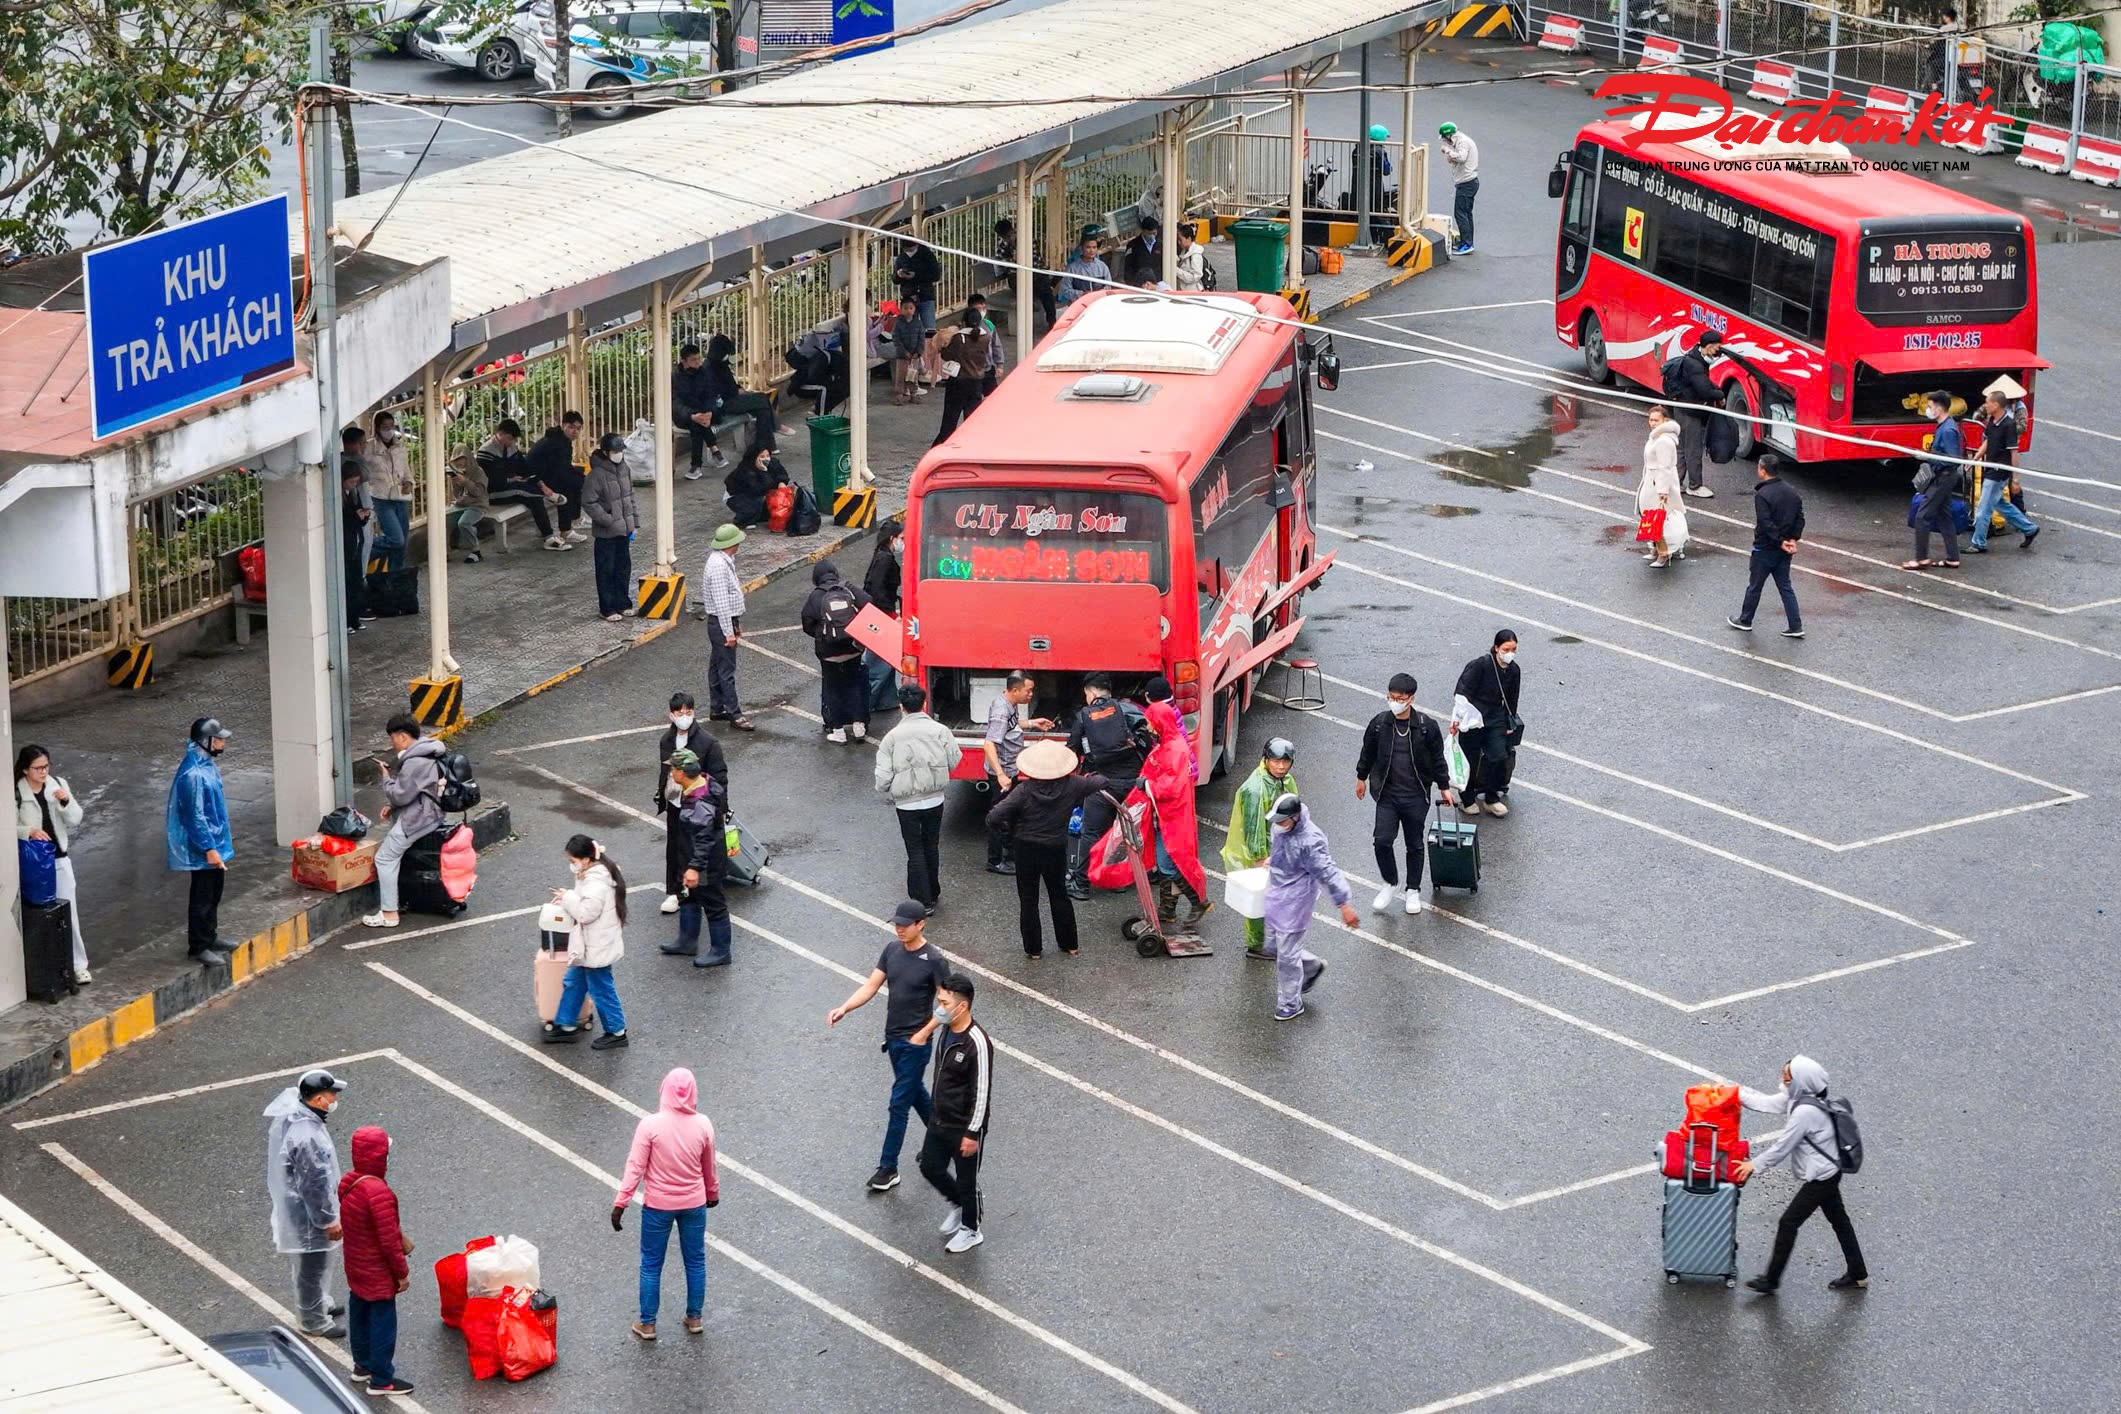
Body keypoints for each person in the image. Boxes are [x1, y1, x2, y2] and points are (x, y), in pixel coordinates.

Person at [828, 900, 948, 1193]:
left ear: (921, 924)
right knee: (914, 1092)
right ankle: (944, 1141)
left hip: (915, 1044)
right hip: (893, 1038)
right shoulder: (892, 950)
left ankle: (888, 1168)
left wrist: (925, 1033)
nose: (899, 929)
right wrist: (845, 1007)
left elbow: (948, 1004)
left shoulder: (934, 960)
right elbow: (871, 986)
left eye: (905, 925)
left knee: (899, 1102)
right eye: (897, 924)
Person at [1735, 1055, 1868, 1295]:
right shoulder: (1798, 1098)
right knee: (1839, 1221)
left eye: (1788, 1076)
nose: (1784, 1079)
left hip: (1823, 1178)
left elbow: (1782, 1147)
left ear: (1801, 1081)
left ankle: (1771, 1279)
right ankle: (1858, 1272)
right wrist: (1734, 1093)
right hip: (1829, 1173)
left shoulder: (1805, 1112)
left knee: (1789, 1222)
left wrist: (1753, 1165)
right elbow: (1765, 1103)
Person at [613, 1068, 720, 1340]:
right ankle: (694, 1317)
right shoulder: (703, 1124)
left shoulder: (650, 1125)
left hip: (658, 1206)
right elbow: (709, 1166)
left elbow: (635, 1167)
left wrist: (621, 1202)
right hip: (694, 1203)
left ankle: (647, 1323)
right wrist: (712, 1192)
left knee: (651, 1263)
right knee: (695, 1261)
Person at [988, 741, 1106, 959]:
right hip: (1056, 847)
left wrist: (1010, 832)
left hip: (1026, 849)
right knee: (1059, 894)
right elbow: (1100, 782)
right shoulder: (1073, 785)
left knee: (1029, 899)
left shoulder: (1023, 791)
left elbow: (994, 817)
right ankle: (1069, 944)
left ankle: (1034, 950)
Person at [1355, 674, 1456, 914]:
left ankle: (1413, 890)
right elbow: (1367, 752)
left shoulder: (1425, 727)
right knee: (1382, 840)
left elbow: (1437, 759)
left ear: (1411, 698)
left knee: (1414, 844)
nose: (1395, 702)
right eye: (1391, 697)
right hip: (1387, 796)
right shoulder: (1380, 724)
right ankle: (1390, 882)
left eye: (1400, 698)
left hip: (1415, 796)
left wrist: (1444, 786)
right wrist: (1361, 777)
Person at [910, 973, 994, 1253]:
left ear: (963, 1007)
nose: (939, 1008)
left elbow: (982, 1091)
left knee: (967, 1181)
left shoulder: (977, 1042)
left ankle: (971, 1229)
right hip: (939, 1117)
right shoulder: (947, 1029)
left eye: (944, 1003)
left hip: (964, 1125)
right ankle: (959, 1202)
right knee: (929, 1166)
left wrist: (972, 1132)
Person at [263, 1068, 347, 1337]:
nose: (335, 1098)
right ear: (319, 1099)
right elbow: (315, 1184)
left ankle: (319, 1303)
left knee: (313, 1264)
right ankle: (312, 1320)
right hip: (308, 1215)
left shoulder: (300, 1119)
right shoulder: (307, 1136)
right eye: (331, 1094)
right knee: (312, 1266)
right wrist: (328, 1220)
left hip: (299, 1209)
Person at [1262, 796, 1359, 1021]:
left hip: (1295, 902)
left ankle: (1290, 1003)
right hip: (1277, 895)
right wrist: (1273, 860)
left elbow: (1328, 872)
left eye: (1283, 821)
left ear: (1295, 818)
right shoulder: (1282, 827)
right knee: (1273, 947)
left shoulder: (1310, 841)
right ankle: (1310, 966)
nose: (1278, 824)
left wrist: (1343, 904)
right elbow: (1283, 850)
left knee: (1286, 955)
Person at [338, 1124, 414, 1395]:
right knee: (383, 1322)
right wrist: (402, 1273)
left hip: (355, 1264)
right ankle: (382, 1380)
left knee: (358, 1312)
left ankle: (362, 1366)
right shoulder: (379, 1192)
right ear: (379, 1157)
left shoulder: (348, 1182)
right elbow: (388, 1241)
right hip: (377, 1270)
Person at [1065, 674, 1154, 899]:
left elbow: (1072, 750)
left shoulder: (1084, 717)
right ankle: (1117, 881)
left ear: (1092, 694)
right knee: (1123, 833)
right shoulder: (1128, 711)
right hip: (1133, 784)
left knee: (1091, 832)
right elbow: (1147, 742)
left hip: (1102, 785)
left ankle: (1081, 885)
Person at [874, 683, 957, 914]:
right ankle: (934, 890)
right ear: (924, 704)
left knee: (915, 849)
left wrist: (887, 787)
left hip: (906, 803)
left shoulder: (891, 738)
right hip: (935, 799)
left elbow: (882, 777)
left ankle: (923, 899)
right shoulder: (940, 731)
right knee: (931, 845)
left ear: (901, 707)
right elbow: (954, 759)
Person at [361, 714, 447, 930]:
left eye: (392, 738)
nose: (392, 743)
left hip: (418, 819)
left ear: (402, 736)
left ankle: (389, 913)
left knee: (385, 858)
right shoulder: (429, 749)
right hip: (432, 814)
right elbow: (413, 790)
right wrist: (393, 806)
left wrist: (385, 777)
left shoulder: (414, 762)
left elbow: (399, 795)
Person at [1135, 683, 1211, 926]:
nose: (1148, 728)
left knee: (1168, 865)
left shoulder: (1173, 750)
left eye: (1150, 723)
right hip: (1168, 817)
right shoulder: (1173, 744)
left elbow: (1171, 787)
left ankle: (1198, 902)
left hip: (1171, 818)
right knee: (1167, 862)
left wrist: (1146, 785)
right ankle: (1167, 910)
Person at [545, 835, 630, 1050]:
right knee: (575, 981)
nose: (572, 865)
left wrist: (567, 898)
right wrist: (569, 896)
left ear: (585, 859)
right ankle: (565, 1024)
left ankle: (617, 1031)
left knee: (601, 989)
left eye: (573, 861)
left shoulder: (596, 881)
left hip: (594, 947)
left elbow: (585, 913)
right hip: (591, 944)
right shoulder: (595, 872)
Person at [16, 743, 91, 984]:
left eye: (46, 766)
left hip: (59, 859)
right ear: (26, 770)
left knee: (70, 914)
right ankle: (45, 968)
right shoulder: (16, 793)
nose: (43, 772)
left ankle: (78, 965)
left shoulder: (57, 784)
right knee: (37, 916)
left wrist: (65, 801)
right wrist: (29, 831)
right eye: (38, 768)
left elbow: (76, 819)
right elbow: (7, 826)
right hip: (33, 866)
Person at [167, 717, 235, 962]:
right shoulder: (193, 774)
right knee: (203, 895)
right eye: (217, 739)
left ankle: (210, 935)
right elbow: (195, 816)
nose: (221, 743)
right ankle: (199, 945)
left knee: (214, 892)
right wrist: (208, 848)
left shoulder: (206, 765)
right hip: (205, 846)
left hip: (214, 842)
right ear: (205, 741)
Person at [1222, 738, 1297, 959]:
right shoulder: (1255, 790)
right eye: (1276, 761)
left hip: (1279, 849)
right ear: (1266, 759)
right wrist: (1260, 859)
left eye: (1286, 762)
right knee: (1260, 898)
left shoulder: (1284, 780)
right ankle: (1258, 944)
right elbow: (1254, 828)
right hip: (1264, 854)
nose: (1281, 766)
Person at [655, 693, 728, 915]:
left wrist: (721, 808)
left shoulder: (707, 742)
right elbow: (664, 771)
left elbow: (720, 777)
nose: (684, 716)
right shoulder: (667, 740)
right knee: (674, 847)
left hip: (699, 804)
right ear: (672, 715)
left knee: (697, 846)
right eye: (680, 713)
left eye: (688, 712)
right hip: (676, 803)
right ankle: (674, 891)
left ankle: (697, 888)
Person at [658, 749, 731, 968]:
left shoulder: (700, 803)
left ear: (682, 772)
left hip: (706, 863)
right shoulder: (705, 783)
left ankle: (721, 951)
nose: (671, 772)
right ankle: (687, 940)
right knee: (688, 896)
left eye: (673, 769)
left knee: (713, 903)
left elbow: (704, 839)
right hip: (690, 856)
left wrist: (694, 867)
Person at [1727, 455, 1807, 638]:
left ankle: (1745, 620)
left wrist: (1779, 541)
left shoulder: (1763, 495)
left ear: (1763, 470)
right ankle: (1795, 625)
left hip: (1765, 548)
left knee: (1755, 586)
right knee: (1785, 586)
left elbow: (1765, 523)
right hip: (1784, 550)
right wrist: (1792, 539)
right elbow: (1800, 519)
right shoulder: (1792, 492)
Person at [982, 672, 1051, 876]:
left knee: (1010, 814)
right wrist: (1001, 775)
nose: (1031, 694)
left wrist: (1031, 723)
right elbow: (988, 744)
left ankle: (1010, 853)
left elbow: (1010, 727)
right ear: (1015, 690)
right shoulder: (1001, 711)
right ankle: (995, 861)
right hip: (1002, 774)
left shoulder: (1009, 704)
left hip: (1009, 770)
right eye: (1028, 691)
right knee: (998, 815)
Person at [1451, 632, 1522, 816]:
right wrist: (1457, 720)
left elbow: (1512, 698)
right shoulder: (1480, 665)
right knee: (1470, 760)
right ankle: (1467, 800)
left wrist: (1509, 720)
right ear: (1496, 647)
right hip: (1473, 718)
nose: (1510, 653)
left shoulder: (1514, 670)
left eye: (1513, 649)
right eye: (1506, 649)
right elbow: (1462, 692)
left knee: (1498, 756)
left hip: (1496, 717)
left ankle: (1491, 798)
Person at [801, 560, 872, 742]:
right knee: (854, 684)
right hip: (852, 648)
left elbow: (807, 623)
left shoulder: (816, 596)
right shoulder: (847, 589)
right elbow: (869, 603)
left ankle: (838, 730)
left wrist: (822, 636)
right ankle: (859, 726)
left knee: (833, 688)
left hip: (828, 653)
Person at [1902, 390, 1969, 570]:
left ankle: (1921, 558)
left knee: (1922, 516)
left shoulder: (1948, 430)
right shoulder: (1946, 426)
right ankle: (1953, 558)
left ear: (1939, 409)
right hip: (1943, 477)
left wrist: (1927, 458)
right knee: (1944, 516)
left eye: (1930, 407)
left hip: (1943, 478)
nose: (1927, 410)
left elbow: (1952, 459)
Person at [1968, 391, 2040, 553]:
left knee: (1983, 510)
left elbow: (2014, 453)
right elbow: (1987, 441)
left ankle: (1978, 542)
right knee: (2001, 504)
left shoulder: (2009, 426)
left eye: (1988, 402)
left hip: (1998, 472)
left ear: (1996, 405)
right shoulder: (1993, 421)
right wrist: (1975, 459)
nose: (1985, 405)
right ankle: (2029, 528)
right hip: (1990, 468)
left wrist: (2015, 479)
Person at [581, 431, 641, 621]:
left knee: (623, 568)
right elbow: (589, 502)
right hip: (606, 534)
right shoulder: (596, 475)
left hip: (623, 530)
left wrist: (634, 522)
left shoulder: (625, 469)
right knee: (606, 570)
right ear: (606, 452)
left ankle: (623, 603)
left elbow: (630, 498)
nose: (619, 454)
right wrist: (607, 520)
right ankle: (607, 608)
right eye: (615, 451)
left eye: (620, 450)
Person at [701, 524, 755, 730]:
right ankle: (735, 713)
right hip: (721, 622)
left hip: (723, 621)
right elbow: (722, 603)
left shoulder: (723, 561)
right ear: (732, 543)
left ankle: (717, 708)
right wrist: (729, 632)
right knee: (726, 669)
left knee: (716, 666)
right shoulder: (719, 566)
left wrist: (735, 624)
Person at [479, 419, 562, 549]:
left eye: (513, 439)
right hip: (493, 493)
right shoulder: (486, 452)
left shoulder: (511, 447)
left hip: (512, 485)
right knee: (530, 494)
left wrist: (541, 484)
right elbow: (487, 480)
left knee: (533, 493)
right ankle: (549, 535)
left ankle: (548, 536)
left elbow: (525, 469)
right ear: (500, 434)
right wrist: (509, 480)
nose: (512, 442)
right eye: (510, 438)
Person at [704, 331, 791, 453]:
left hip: (732, 397)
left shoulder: (720, 364)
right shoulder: (709, 368)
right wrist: (737, 391)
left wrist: (738, 388)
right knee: (763, 399)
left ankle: (765, 447)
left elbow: (730, 382)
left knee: (762, 409)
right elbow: (717, 391)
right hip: (724, 404)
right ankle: (775, 428)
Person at [1664, 332, 1722, 499]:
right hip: (1690, 411)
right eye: (1717, 348)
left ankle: (1676, 483)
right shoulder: (1696, 365)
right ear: (1709, 346)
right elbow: (1703, 390)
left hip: (1681, 407)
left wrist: (1715, 388)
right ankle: (1695, 486)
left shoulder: (1692, 357)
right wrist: (1720, 395)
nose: (1717, 352)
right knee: (1693, 449)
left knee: (1682, 448)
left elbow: (1702, 382)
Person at [861, 518, 905, 711]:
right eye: (901, 538)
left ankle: (884, 700)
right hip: (882, 616)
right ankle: (866, 703)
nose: (903, 542)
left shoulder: (881, 555)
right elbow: (878, 591)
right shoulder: (885, 560)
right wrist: (892, 615)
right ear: (892, 538)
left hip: (878, 614)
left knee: (883, 661)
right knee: (877, 663)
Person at [524, 411, 587, 545]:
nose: (574, 431)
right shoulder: (555, 442)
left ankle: (572, 523)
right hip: (535, 478)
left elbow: (562, 466)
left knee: (578, 478)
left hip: (548, 473)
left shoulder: (562, 440)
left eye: (578, 428)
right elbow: (555, 469)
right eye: (571, 427)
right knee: (567, 487)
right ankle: (566, 530)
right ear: (563, 425)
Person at [933, 308, 992, 446]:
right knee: (971, 423)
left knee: (949, 424)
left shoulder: (960, 339)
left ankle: (936, 452)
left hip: (958, 383)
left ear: (964, 322)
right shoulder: (986, 337)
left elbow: (947, 355)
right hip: (977, 383)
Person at [1637, 403, 1685, 569]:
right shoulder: (1657, 437)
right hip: (1652, 481)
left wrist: (1662, 491)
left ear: (1665, 420)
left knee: (1657, 518)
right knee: (1652, 516)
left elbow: (1664, 468)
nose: (1653, 423)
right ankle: (1657, 550)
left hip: (1657, 484)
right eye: (1651, 420)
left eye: (1656, 420)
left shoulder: (1663, 440)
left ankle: (1663, 553)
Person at [366, 411, 416, 572]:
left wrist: (409, 482)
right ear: (377, 428)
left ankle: (395, 577)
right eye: (384, 427)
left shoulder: (399, 446)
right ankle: (365, 550)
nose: (388, 430)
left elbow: (407, 469)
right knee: (396, 540)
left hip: (400, 497)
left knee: (402, 544)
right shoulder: (369, 448)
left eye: (391, 426)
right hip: (381, 498)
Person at [673, 344, 731, 479]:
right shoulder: (675, 377)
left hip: (705, 413)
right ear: (684, 361)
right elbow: (676, 403)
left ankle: (696, 466)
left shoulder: (703, 372)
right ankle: (714, 449)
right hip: (685, 415)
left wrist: (709, 412)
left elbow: (710, 394)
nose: (698, 363)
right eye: (693, 360)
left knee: (699, 424)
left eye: (699, 359)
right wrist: (692, 415)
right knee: (696, 424)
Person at [893, 239, 944, 381]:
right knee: (911, 332)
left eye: (910, 249)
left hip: (925, 295)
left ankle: (932, 369)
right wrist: (899, 275)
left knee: (930, 331)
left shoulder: (926, 255)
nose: (908, 252)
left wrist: (916, 275)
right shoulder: (901, 258)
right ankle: (916, 371)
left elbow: (935, 275)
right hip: (909, 297)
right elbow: (894, 279)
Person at [995, 216, 1057, 331]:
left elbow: (1032, 261)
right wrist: (1013, 261)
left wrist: (1015, 260)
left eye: (1010, 235)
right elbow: (999, 261)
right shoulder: (1003, 244)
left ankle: (1052, 322)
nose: (1009, 239)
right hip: (1016, 278)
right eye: (1006, 237)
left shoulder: (1027, 239)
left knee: (1046, 292)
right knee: (1037, 289)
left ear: (1013, 230)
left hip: (1035, 274)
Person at [723, 443, 791, 529]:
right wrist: (764, 472)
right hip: (736, 496)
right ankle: (742, 520)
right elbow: (758, 489)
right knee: (756, 503)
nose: (766, 459)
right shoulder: (747, 470)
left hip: (758, 493)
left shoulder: (773, 462)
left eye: (767, 456)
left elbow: (782, 474)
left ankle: (759, 515)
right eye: (762, 457)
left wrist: (782, 482)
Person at [1438, 122, 1479, 256]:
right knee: (1466, 213)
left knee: (1460, 214)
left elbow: (1462, 157)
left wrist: (1448, 151)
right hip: (1468, 182)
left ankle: (1467, 244)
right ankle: (1466, 242)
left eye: (1445, 138)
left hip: (1466, 184)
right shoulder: (1462, 141)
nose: (1446, 142)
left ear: (1450, 135)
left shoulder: (1463, 142)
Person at [338, 455, 369, 631]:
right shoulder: (340, 498)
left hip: (355, 543)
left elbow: (355, 521)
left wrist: (363, 516)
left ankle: (354, 618)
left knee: (356, 582)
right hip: (346, 545)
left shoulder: (353, 495)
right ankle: (347, 621)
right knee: (348, 584)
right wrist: (357, 517)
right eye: (351, 482)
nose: (354, 485)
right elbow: (344, 521)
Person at [446, 447, 489, 563]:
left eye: (461, 458)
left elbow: (479, 493)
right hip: (461, 505)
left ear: (467, 457)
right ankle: (445, 551)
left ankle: (476, 551)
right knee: (443, 520)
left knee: (464, 523)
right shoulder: (458, 472)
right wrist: (455, 484)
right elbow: (456, 495)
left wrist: (466, 482)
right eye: (456, 459)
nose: (459, 462)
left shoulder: (478, 472)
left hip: (478, 505)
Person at [967, 291, 1005, 396]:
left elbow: (996, 345)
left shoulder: (989, 325)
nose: (982, 312)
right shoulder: (964, 326)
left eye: (984, 308)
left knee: (992, 398)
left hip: (988, 369)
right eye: (979, 309)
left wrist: (999, 365)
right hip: (972, 372)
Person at [1057, 235, 1110, 308]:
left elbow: (1108, 287)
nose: (1091, 250)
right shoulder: (1072, 268)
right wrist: (1082, 294)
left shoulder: (1103, 267)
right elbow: (1065, 290)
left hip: (1098, 305)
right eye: (1088, 247)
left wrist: (1096, 295)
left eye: (1094, 247)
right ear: (1082, 248)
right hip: (1079, 306)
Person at [1122, 214, 1163, 286]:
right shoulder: (1133, 245)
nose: (1152, 236)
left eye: (1154, 233)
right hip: (1139, 285)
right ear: (1143, 231)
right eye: (1150, 234)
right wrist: (1131, 284)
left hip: (1156, 285)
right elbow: (1128, 267)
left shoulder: (1160, 245)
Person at [1173, 223, 1207, 292]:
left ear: (1188, 239)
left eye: (1180, 240)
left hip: (1192, 291)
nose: (1179, 242)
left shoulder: (1195, 255)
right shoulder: (1184, 251)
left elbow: (1195, 276)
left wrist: (1177, 271)